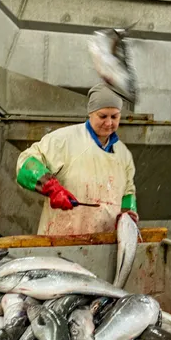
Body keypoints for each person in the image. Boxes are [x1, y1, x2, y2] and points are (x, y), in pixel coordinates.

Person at [15, 82, 137, 236]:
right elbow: (24, 162)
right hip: (60, 243)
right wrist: (51, 188)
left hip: (103, 246)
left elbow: (128, 192)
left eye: (114, 116)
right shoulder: (64, 140)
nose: (109, 123)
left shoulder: (123, 154)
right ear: (90, 113)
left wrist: (128, 215)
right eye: (103, 116)